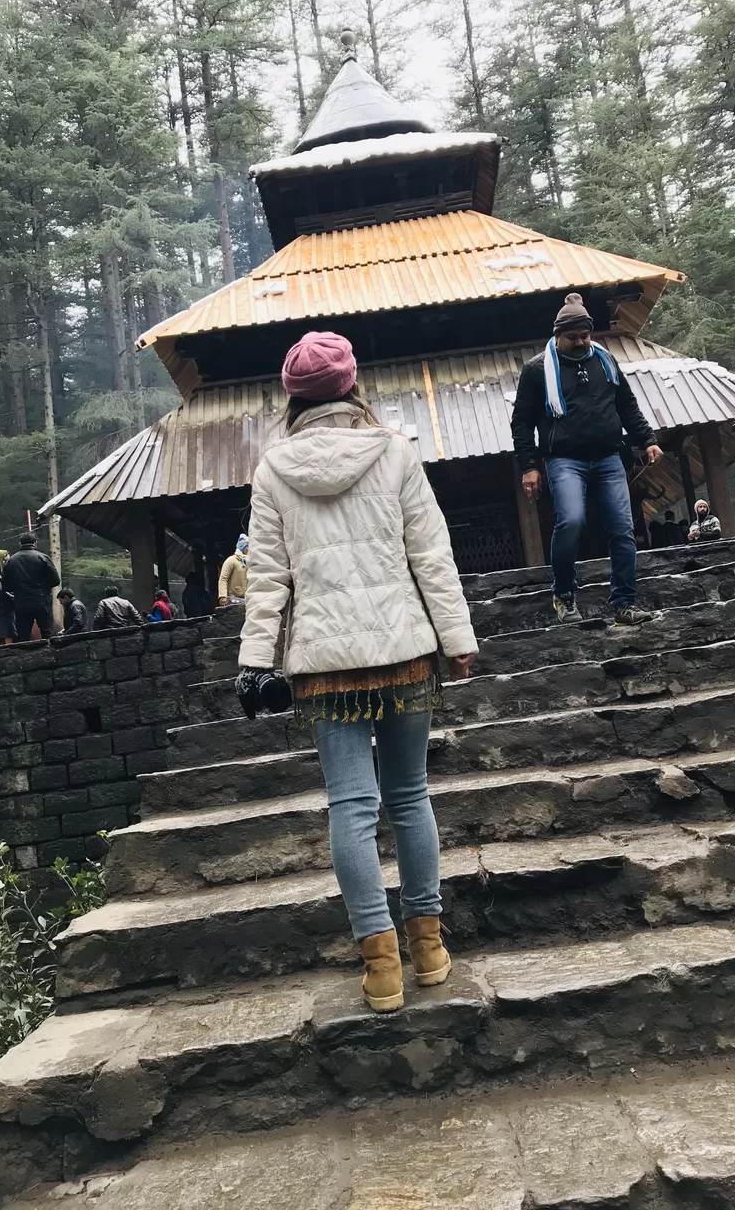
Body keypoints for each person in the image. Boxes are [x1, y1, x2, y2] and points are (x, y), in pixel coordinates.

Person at [237, 330, 478, 1014]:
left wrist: (255, 660)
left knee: (352, 805)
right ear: (351, 386)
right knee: (409, 796)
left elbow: (268, 582)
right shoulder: (395, 452)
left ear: (294, 399)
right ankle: (429, 948)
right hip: (403, 651)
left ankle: (380, 968)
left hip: (324, 664)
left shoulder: (274, 470)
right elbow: (431, 553)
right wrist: (456, 639)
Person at [511, 292, 663, 625]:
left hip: (608, 456)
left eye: (585, 336)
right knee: (571, 521)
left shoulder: (605, 361)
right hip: (564, 459)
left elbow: (626, 405)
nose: (581, 343)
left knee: (623, 529)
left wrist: (647, 440)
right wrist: (530, 466)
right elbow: (521, 422)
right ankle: (564, 596)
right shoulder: (538, 370)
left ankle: (624, 603)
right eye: (573, 337)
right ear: (557, 335)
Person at [1, 531, 60, 641]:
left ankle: (23, 656)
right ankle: (50, 654)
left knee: (22, 635)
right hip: (42, 599)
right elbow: (56, 581)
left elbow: (6, 586)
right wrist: (44, 586)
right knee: (47, 633)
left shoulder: (11, 561)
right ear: (35, 543)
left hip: (21, 602)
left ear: (20, 543)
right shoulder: (43, 558)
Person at [218, 534, 248, 607]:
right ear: (243, 546)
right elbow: (223, 578)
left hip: (248, 598)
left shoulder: (250, 561)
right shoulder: (231, 560)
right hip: (234, 599)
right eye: (248, 546)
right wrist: (223, 596)